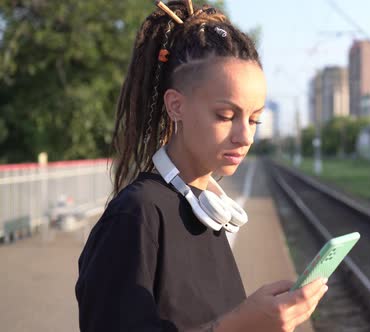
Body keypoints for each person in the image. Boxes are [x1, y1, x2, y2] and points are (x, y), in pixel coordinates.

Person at [75, 1, 328, 331]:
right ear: (176, 105)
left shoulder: (203, 211)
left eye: (255, 120)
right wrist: (238, 325)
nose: (245, 136)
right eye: (225, 116)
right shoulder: (137, 215)